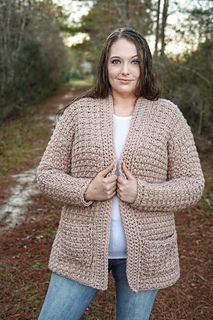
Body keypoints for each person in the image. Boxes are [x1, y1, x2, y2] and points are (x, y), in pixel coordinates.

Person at [36, 27, 205, 320]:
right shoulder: (79, 112)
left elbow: (193, 184)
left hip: (146, 254)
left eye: (134, 61)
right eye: (116, 61)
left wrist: (142, 193)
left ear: (145, 65)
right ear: (105, 65)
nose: (125, 70)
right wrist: (87, 190)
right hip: (79, 249)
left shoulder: (167, 115)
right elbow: (46, 174)